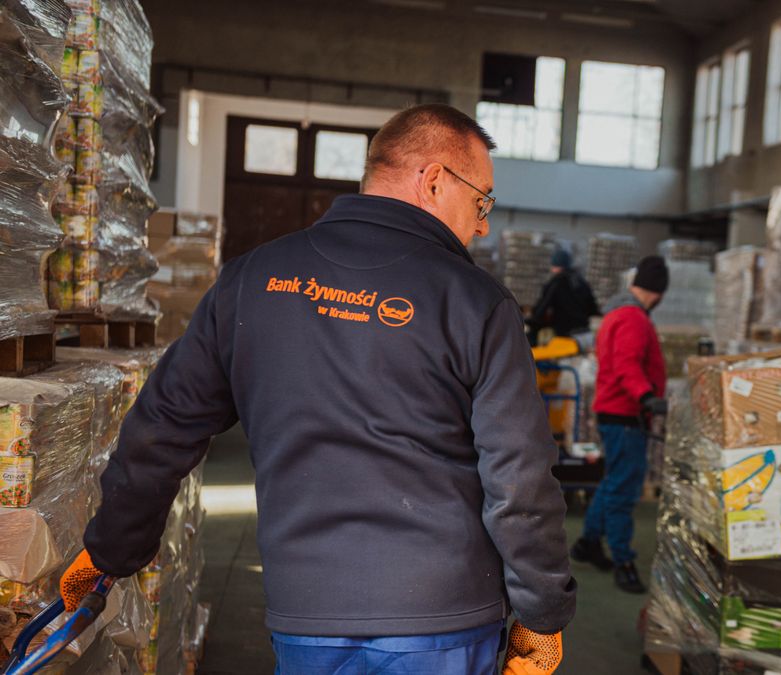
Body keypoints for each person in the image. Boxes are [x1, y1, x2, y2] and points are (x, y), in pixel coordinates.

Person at [58, 104, 576, 675]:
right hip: (441, 621)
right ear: (433, 180)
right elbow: (520, 478)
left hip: (306, 616)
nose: (482, 225)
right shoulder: (476, 302)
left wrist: (109, 551)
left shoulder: (251, 280)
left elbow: (162, 428)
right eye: (482, 202)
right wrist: (541, 615)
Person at [569, 256, 669, 594]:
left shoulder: (615, 313)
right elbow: (627, 365)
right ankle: (624, 560)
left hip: (616, 412)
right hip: (625, 414)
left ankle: (588, 542)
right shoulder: (634, 319)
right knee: (624, 491)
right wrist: (646, 398)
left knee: (613, 481)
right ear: (659, 292)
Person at [527, 248, 599, 341]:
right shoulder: (582, 282)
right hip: (583, 331)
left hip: (564, 332)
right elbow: (593, 309)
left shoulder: (556, 282)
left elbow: (542, 308)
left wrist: (532, 321)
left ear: (554, 265)